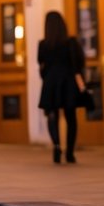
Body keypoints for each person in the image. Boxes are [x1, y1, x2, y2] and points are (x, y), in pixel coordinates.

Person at [37, 11, 86, 164]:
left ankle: (57, 146)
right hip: (68, 82)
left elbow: (41, 64)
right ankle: (70, 152)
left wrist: (47, 77)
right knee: (70, 116)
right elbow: (79, 62)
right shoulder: (70, 42)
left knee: (52, 115)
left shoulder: (43, 44)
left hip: (51, 82)